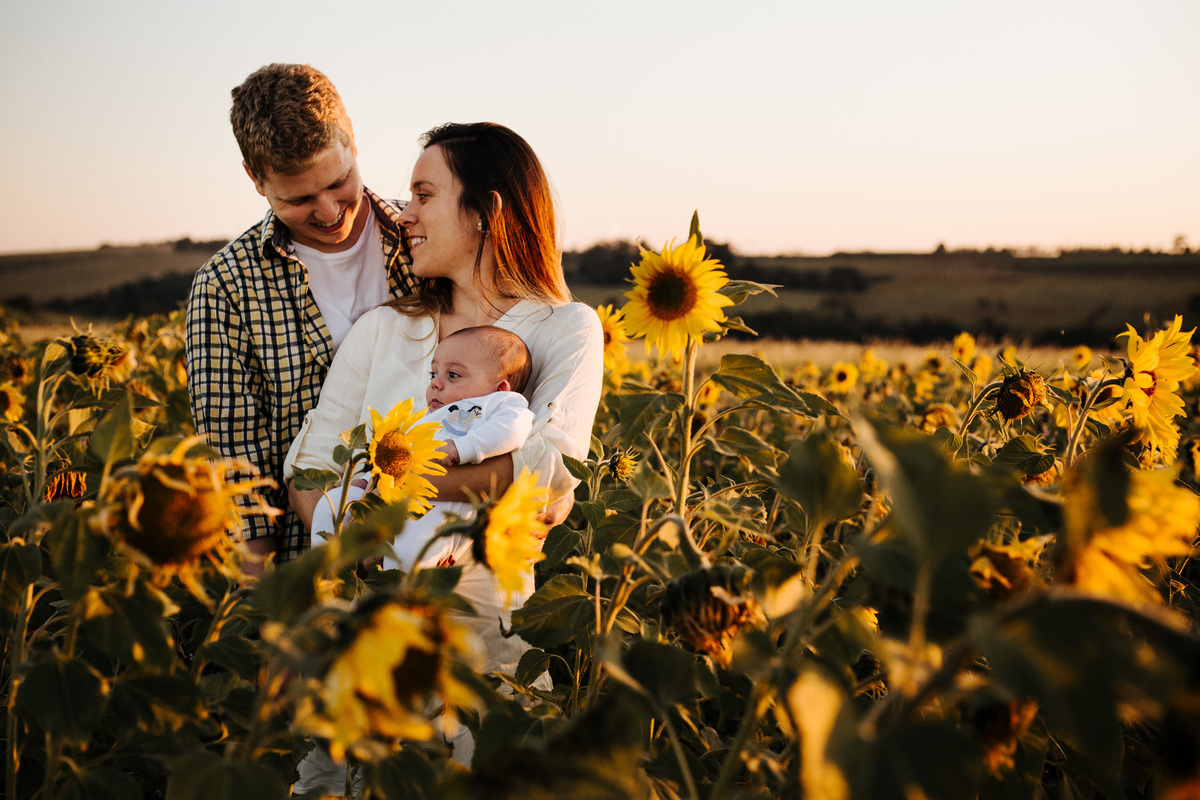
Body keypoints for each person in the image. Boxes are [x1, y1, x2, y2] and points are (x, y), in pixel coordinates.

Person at [284, 121, 603, 772]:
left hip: (481, 641)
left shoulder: (562, 328)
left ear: (486, 212)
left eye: (424, 196)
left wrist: (385, 488)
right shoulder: (382, 331)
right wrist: (355, 546)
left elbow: (548, 475)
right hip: (362, 634)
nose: (404, 216)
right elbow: (310, 467)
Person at [185, 64, 416, 573]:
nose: (331, 210)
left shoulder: (426, 240)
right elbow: (240, 482)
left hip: (442, 565)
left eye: (339, 182)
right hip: (310, 574)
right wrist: (271, 624)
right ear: (255, 179)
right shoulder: (226, 287)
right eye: (300, 199)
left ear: (352, 139)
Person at [305, 325, 537, 572]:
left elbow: (513, 430)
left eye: (453, 375)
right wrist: (366, 480)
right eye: (433, 374)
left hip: (443, 502)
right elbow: (398, 455)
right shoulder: (426, 417)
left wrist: (462, 448)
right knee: (332, 503)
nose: (436, 383)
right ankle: (326, 563)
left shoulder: (503, 404)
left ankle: (399, 592)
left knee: (409, 551)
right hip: (398, 494)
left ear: (499, 388)